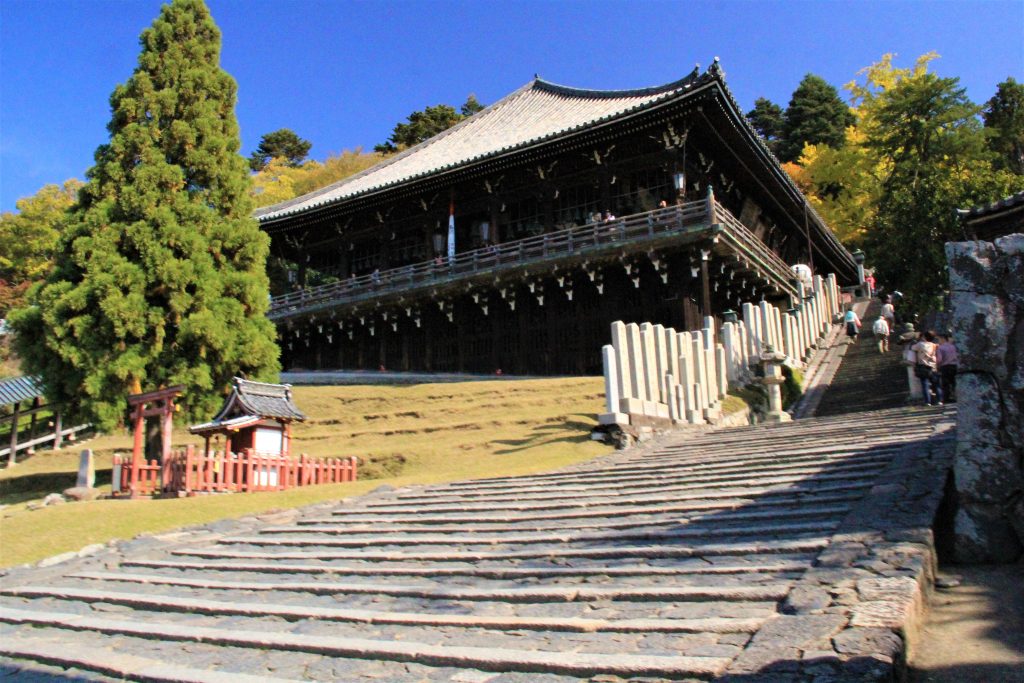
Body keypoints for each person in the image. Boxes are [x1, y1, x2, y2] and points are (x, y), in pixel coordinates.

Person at [910, 330, 942, 406]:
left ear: (925, 337)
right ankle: (939, 400)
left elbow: (912, 348)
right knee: (936, 384)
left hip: (924, 366)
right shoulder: (934, 345)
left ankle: (927, 401)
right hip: (933, 367)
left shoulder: (920, 345)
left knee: (925, 385)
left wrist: (916, 339)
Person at [936, 333, 958, 403]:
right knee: (954, 383)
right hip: (954, 366)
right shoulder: (953, 346)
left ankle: (947, 398)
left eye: (938, 339)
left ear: (943, 338)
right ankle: (957, 396)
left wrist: (937, 365)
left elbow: (939, 359)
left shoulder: (940, 348)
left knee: (946, 384)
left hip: (945, 367)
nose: (938, 341)